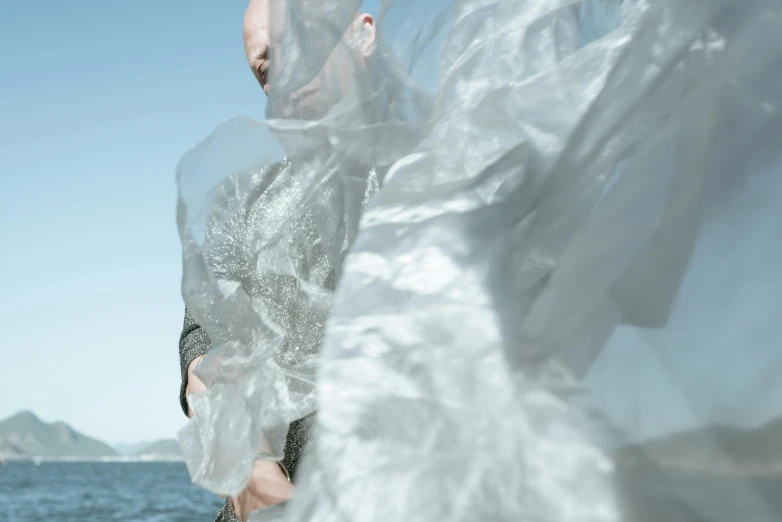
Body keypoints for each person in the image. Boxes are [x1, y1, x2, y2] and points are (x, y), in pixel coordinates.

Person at [178, 1, 381, 520]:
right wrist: (254, 478)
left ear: (362, 36)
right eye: (267, 69)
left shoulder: (441, 174)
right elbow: (202, 349)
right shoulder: (242, 205)